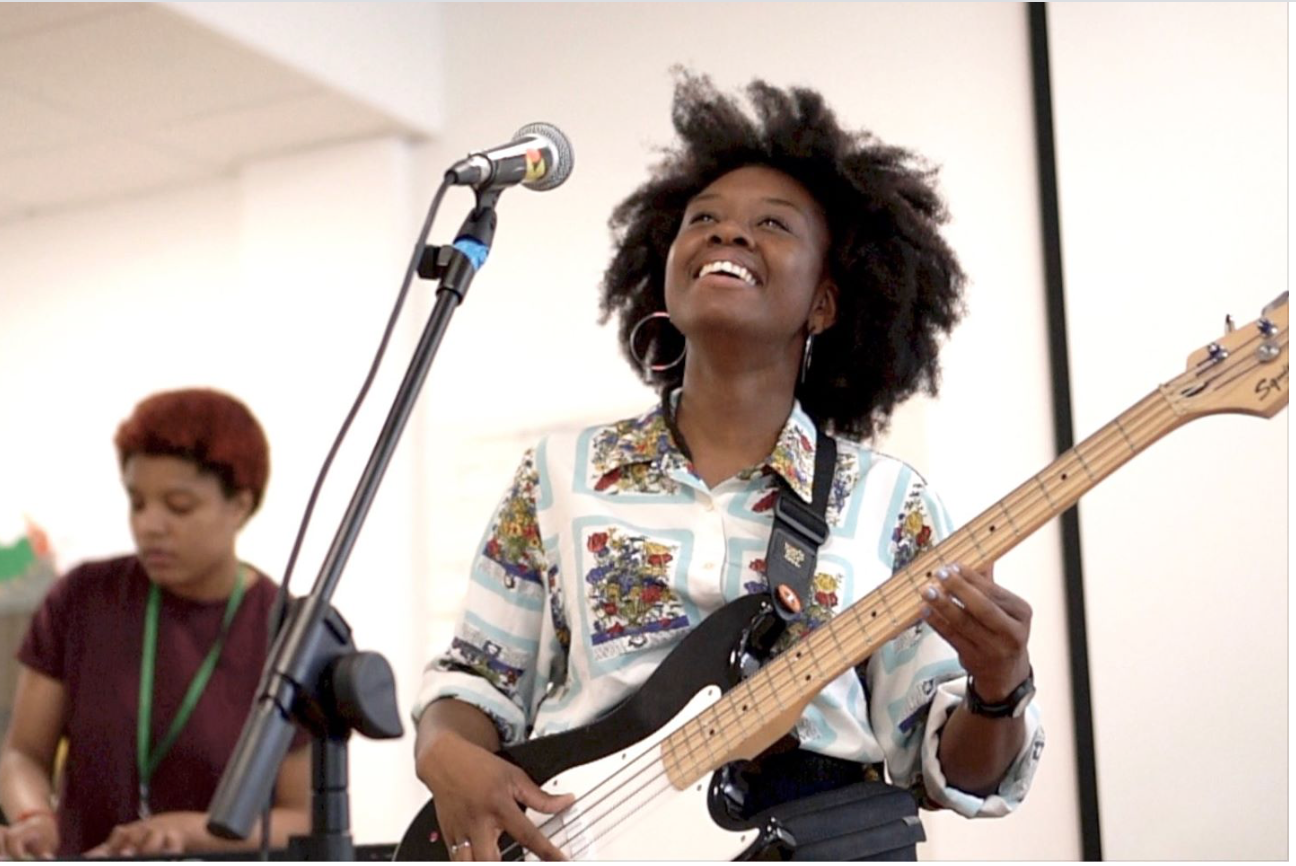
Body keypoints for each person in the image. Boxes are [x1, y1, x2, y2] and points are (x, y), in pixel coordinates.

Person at [412, 73, 1045, 861]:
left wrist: (999, 686)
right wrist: (448, 754)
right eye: (701, 219)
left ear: (825, 304)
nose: (728, 234)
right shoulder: (560, 473)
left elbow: (958, 772)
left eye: (772, 225)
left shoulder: (891, 502)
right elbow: (476, 681)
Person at [0, 388, 310, 858]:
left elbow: (302, 817)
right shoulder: (82, 598)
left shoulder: (287, 630)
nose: (150, 525)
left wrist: (192, 831)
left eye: (179, 506)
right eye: (137, 502)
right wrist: (34, 817)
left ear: (240, 505)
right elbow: (23, 753)